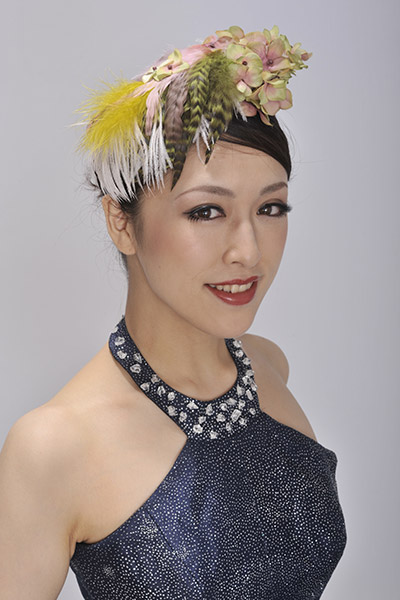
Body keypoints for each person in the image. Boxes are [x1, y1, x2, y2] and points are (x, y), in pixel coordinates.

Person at [0, 25, 347, 599]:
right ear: (121, 222)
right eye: (206, 211)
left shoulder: (269, 365)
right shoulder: (54, 447)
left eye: (271, 208)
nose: (249, 251)